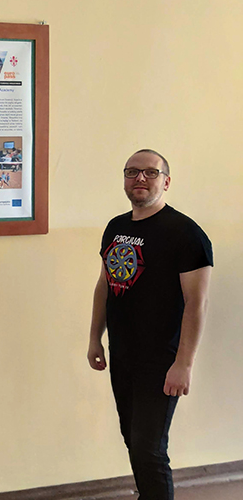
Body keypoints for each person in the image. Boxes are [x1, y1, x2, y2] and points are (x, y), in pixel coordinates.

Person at [88, 149, 213, 500]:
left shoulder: (186, 234)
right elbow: (105, 284)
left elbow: (197, 304)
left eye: (150, 172)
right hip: (122, 354)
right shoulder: (116, 227)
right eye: (132, 172)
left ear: (166, 182)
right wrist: (95, 338)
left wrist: (183, 364)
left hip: (161, 359)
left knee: (149, 449)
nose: (140, 178)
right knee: (133, 439)